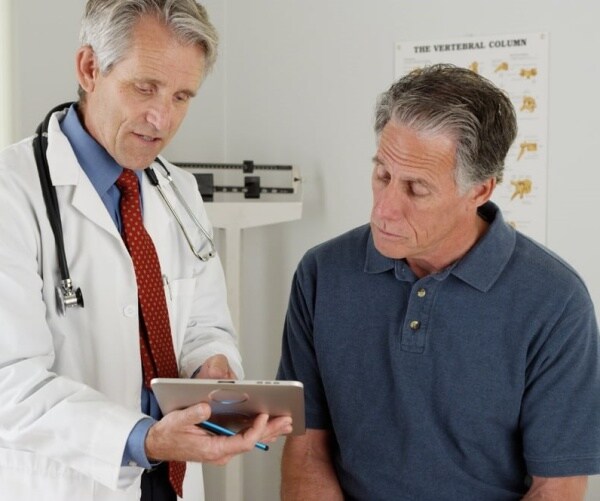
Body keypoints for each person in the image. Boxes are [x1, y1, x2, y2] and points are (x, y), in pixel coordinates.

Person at [0, 1, 291, 500]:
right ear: (90, 68)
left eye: (182, 96)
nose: (162, 118)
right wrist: (144, 438)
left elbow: (204, 324)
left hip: (171, 481)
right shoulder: (12, 193)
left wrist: (212, 371)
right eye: (145, 88)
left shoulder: (176, 190)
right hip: (74, 482)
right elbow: (11, 383)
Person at [277, 64, 600, 500]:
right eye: (383, 175)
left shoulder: (555, 302)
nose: (384, 211)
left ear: (480, 190)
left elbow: (556, 487)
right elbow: (306, 448)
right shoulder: (322, 274)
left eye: (416, 189)